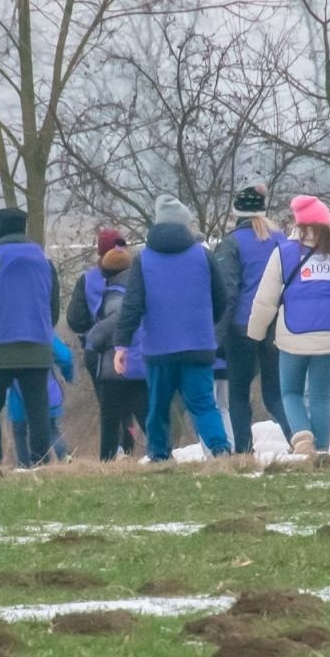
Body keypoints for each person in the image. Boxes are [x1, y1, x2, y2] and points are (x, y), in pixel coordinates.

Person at [113, 194, 231, 461]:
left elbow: (132, 305)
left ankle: (159, 455)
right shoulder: (203, 256)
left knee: (158, 406)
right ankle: (220, 448)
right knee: (203, 404)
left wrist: (122, 344)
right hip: (198, 344)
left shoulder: (143, 260)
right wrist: (205, 324)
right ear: (185, 224)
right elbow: (222, 298)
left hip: (159, 348)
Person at [247, 195, 330, 455]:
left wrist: (255, 334)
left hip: (293, 333)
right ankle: (320, 450)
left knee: (290, 392)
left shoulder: (283, 253)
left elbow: (265, 300)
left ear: (299, 224)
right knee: (320, 395)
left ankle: (301, 439)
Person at [0, 207, 61, 467]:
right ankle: (41, 460)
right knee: (38, 409)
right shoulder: (46, 264)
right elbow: (53, 311)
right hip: (38, 347)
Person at [215, 184, 290, 453]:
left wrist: (218, 334)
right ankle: (299, 440)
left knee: (238, 394)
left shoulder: (231, 243)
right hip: (275, 325)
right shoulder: (281, 240)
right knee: (276, 393)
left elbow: (228, 292)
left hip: (241, 327)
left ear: (237, 212)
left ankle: (244, 451)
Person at [66, 229, 134, 456]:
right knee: (133, 403)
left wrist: (92, 330)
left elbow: (75, 319)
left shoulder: (87, 279)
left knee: (108, 406)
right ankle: (128, 448)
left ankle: (113, 451)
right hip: (133, 347)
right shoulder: (137, 276)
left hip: (97, 350)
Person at [85, 244, 148, 461]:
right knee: (146, 414)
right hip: (140, 363)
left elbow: (116, 322)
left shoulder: (116, 294)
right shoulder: (139, 288)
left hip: (116, 366)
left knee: (110, 420)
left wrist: (95, 338)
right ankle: (163, 452)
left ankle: (107, 460)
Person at [10, 335, 74, 467]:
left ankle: (24, 466)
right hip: (46, 387)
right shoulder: (44, 330)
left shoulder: (9, 332)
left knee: (20, 431)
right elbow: (65, 357)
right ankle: (63, 457)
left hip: (17, 390)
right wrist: (68, 375)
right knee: (51, 428)